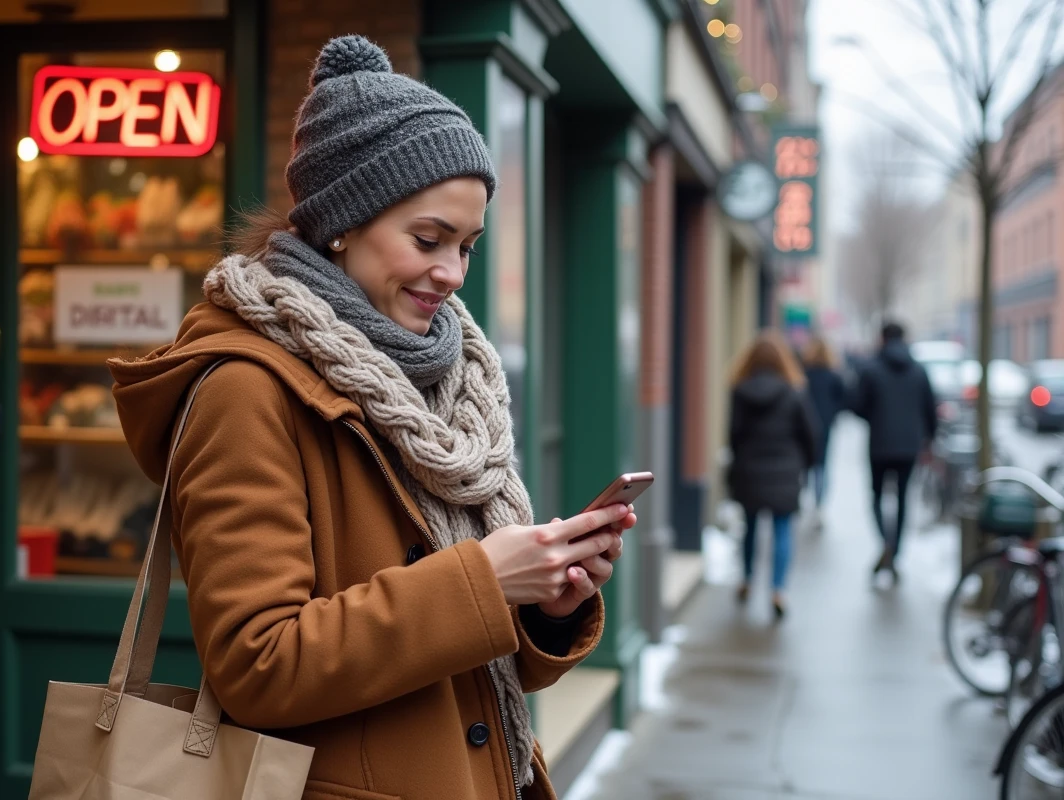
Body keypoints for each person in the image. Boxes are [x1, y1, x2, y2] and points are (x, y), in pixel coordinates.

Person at [109, 36, 636, 800]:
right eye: (428, 239)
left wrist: (547, 605)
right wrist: (485, 581)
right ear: (343, 222)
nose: (452, 274)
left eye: (467, 246)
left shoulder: (448, 381)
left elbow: (478, 668)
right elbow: (259, 664)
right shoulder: (245, 391)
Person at [727, 331, 818, 619]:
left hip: (750, 470)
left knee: (750, 528)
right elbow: (810, 433)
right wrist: (807, 464)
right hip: (785, 471)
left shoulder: (740, 392)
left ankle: (747, 579)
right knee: (782, 530)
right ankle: (778, 590)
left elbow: (734, 435)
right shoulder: (794, 392)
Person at [851, 321, 938, 579]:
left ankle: (885, 543)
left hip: (879, 444)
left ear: (882, 338)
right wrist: (928, 440)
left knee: (877, 496)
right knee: (902, 498)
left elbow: (855, 404)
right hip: (909, 446)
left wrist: (875, 418)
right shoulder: (919, 370)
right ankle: (895, 552)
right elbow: (930, 409)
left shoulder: (871, 369)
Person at [802, 336, 846, 523]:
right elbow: (843, 399)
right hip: (824, 425)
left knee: (805, 462)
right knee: (822, 465)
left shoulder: (803, 375)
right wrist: (832, 414)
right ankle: (818, 504)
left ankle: (802, 498)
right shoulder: (833, 376)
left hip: (804, 424)